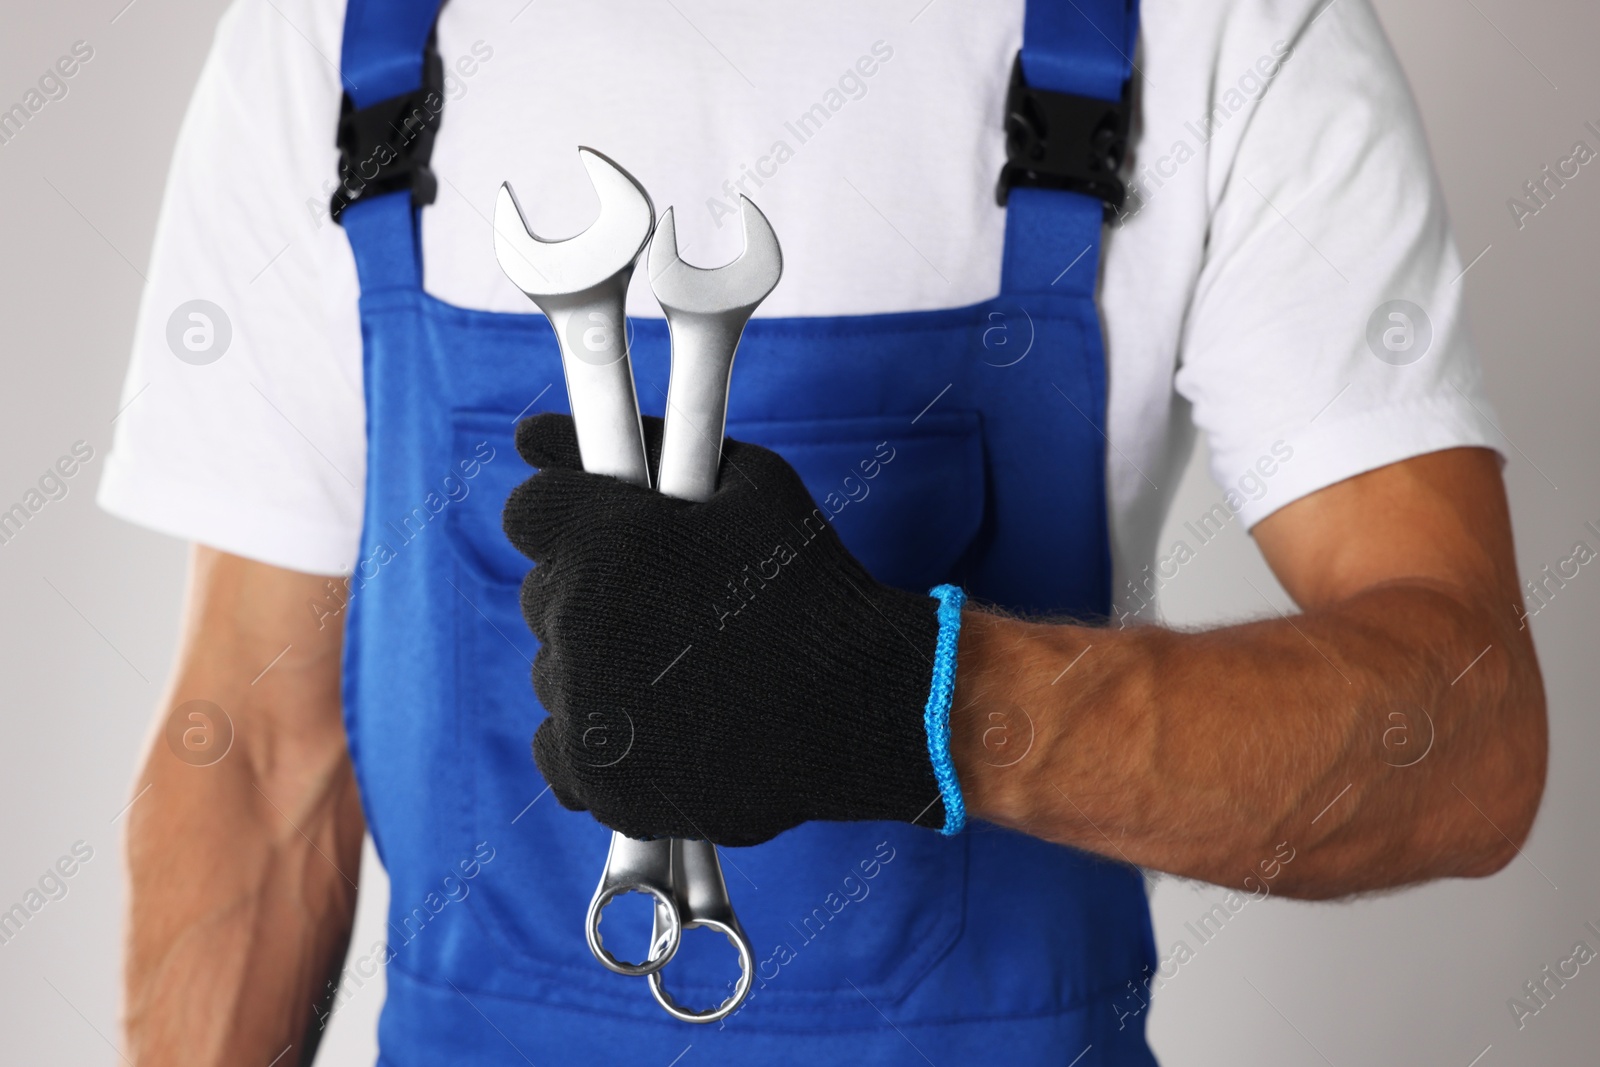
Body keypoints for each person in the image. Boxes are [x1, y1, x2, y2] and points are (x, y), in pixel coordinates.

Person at [100, 0, 1546, 1063]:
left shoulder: (1218, 27)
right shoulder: (339, 45)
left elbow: (1465, 739)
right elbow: (255, 763)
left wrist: (915, 702)